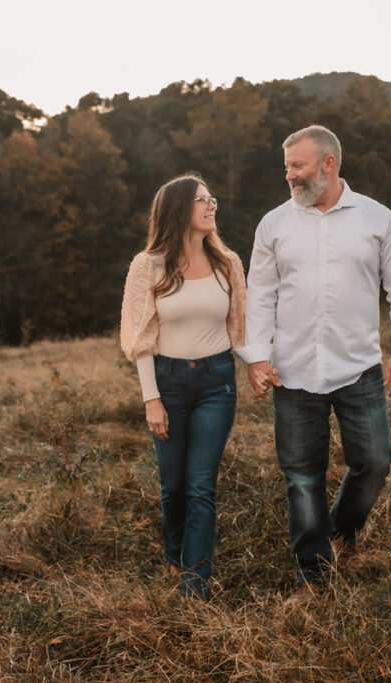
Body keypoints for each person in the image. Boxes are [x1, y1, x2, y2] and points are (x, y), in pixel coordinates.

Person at [235, 125, 391, 604]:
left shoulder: (377, 219)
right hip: (293, 371)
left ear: (329, 164)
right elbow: (259, 295)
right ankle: (313, 575)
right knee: (302, 477)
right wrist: (256, 356)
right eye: (286, 167)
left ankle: (340, 535)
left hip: (359, 368)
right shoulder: (274, 225)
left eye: (298, 166)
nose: (290, 176)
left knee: (375, 462)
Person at [119, 173, 246, 600]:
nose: (212, 206)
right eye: (201, 200)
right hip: (169, 383)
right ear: (178, 210)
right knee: (173, 486)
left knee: (200, 487)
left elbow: (238, 331)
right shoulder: (148, 265)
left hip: (216, 383)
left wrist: (257, 368)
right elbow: (139, 340)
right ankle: (176, 556)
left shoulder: (228, 263)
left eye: (212, 199)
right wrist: (151, 399)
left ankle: (195, 584)